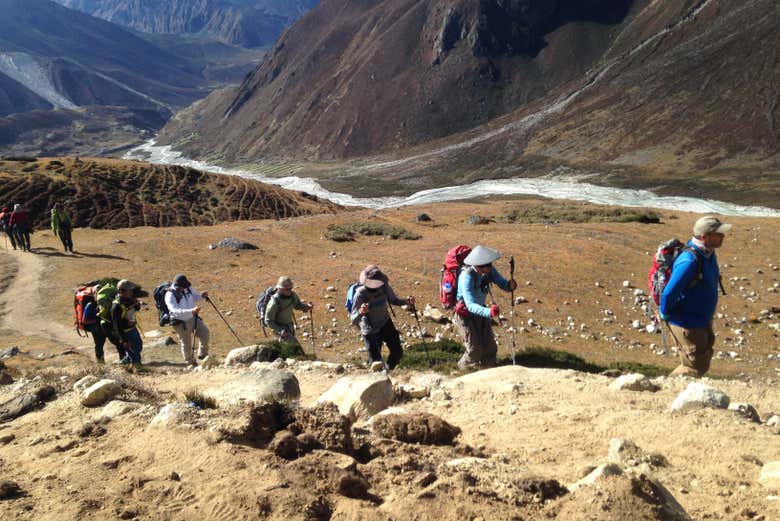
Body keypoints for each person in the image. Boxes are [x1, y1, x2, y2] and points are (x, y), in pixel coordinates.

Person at [660, 216, 731, 377]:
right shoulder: (689, 261)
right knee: (694, 367)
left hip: (701, 320)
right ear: (704, 236)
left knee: (701, 363)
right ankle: (667, 390)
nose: (723, 236)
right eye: (718, 233)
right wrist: (665, 313)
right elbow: (669, 292)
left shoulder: (708, 254)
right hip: (687, 323)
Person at [453, 245, 517, 369]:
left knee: (490, 348)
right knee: (474, 350)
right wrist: (489, 312)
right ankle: (461, 371)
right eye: (485, 265)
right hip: (465, 315)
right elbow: (470, 305)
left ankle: (488, 372)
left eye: (489, 264)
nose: (488, 267)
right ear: (477, 265)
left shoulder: (490, 270)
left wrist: (510, 286)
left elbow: (503, 284)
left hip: (481, 312)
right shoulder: (466, 277)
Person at [349, 266, 414, 371]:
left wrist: (406, 301)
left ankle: (388, 371)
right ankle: (376, 378)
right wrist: (361, 312)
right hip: (370, 330)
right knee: (376, 362)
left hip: (385, 323)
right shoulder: (360, 294)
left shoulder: (383, 287)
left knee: (397, 352)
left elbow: (394, 300)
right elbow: (353, 319)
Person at [164, 274, 210, 366]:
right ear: (177, 286)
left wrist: (202, 296)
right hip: (180, 322)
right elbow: (175, 311)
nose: (184, 289)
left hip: (193, 318)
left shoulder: (188, 288)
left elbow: (195, 296)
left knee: (204, 332)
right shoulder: (169, 295)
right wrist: (191, 311)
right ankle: (190, 362)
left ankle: (202, 354)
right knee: (186, 343)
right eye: (182, 287)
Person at [264, 276, 312, 349]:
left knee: (287, 349)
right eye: (287, 289)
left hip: (290, 327)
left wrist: (307, 307)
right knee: (296, 349)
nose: (290, 290)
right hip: (281, 330)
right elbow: (268, 320)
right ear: (280, 289)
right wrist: (280, 331)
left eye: (291, 288)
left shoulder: (292, 296)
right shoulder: (274, 302)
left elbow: (297, 305)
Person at [111, 279, 143, 369]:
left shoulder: (129, 299)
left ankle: (125, 362)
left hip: (133, 329)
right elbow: (116, 324)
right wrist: (124, 340)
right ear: (122, 291)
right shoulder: (116, 306)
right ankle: (137, 367)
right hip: (125, 332)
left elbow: (136, 309)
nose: (131, 291)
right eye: (130, 290)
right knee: (133, 350)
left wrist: (136, 304)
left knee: (138, 346)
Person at [83, 299, 126, 364]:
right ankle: (101, 363)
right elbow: (85, 321)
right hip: (98, 329)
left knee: (118, 343)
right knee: (100, 345)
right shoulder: (91, 305)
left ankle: (123, 360)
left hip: (106, 327)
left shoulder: (110, 302)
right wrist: (98, 320)